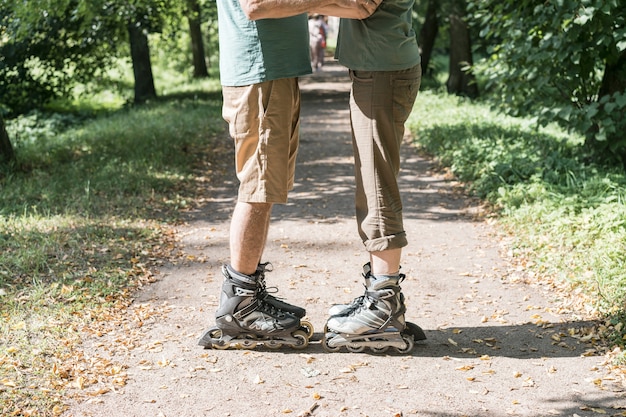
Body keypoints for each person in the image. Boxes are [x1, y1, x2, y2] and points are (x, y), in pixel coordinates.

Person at [198, 0, 380, 350]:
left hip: (273, 71)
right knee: (258, 187)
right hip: (259, 73)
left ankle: (247, 296)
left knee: (266, 187)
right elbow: (256, 5)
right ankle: (240, 306)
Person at [315, 0, 427, 352]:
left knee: (377, 186)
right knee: (372, 183)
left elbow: (360, 4)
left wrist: (291, 6)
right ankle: (380, 295)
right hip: (377, 67)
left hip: (382, 70)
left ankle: (383, 303)